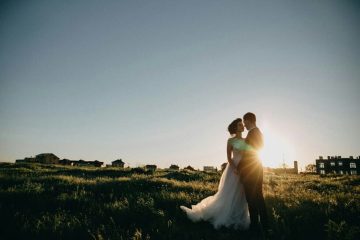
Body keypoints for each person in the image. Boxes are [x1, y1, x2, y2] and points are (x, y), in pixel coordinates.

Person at [180, 118, 250, 230]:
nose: (242, 126)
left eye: (242, 124)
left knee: (241, 193)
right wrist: (235, 168)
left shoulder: (247, 140)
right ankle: (224, 214)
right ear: (235, 127)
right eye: (239, 124)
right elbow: (228, 157)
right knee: (229, 193)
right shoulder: (230, 141)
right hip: (233, 169)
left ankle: (239, 215)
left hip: (245, 168)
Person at [237, 112, 268, 232]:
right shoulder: (257, 132)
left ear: (249, 120)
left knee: (254, 199)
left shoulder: (253, 133)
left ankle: (259, 226)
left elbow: (249, 153)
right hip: (256, 169)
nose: (244, 125)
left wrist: (239, 166)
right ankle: (259, 225)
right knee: (256, 198)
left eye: (245, 122)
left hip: (251, 171)